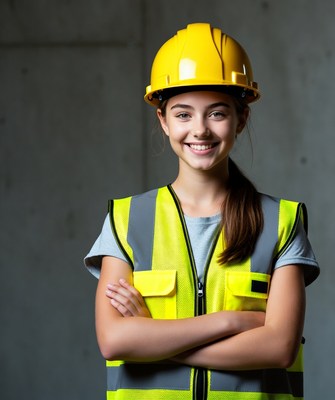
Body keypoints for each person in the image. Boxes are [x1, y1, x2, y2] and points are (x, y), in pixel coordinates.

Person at [85, 22, 319, 400]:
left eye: (216, 113)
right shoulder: (127, 221)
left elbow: (279, 348)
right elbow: (114, 341)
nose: (200, 130)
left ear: (241, 118)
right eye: (182, 114)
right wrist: (231, 322)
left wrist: (155, 341)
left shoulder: (282, 223)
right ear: (162, 120)